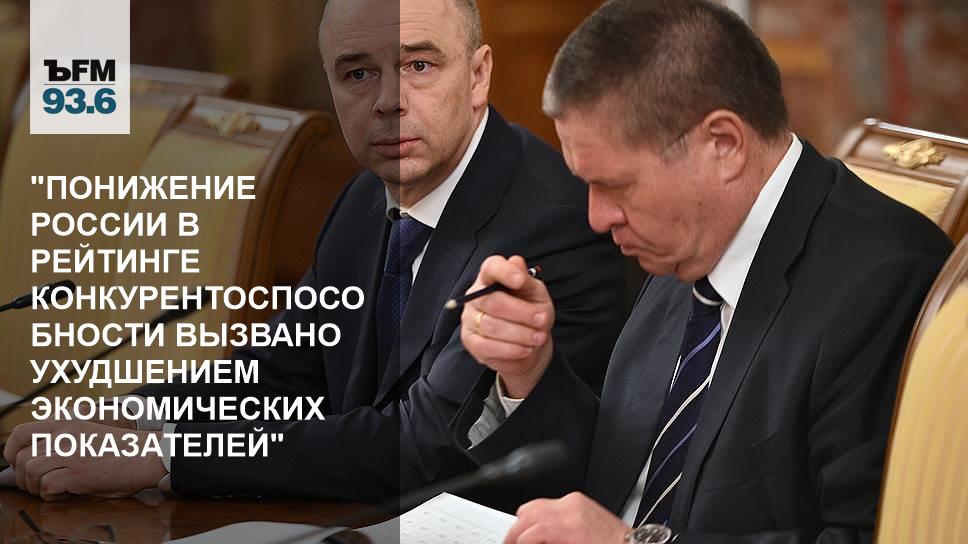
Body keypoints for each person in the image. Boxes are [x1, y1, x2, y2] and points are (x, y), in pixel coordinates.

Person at [3, 0, 629, 503]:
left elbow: (427, 445)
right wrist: (127, 419)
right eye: (358, 73)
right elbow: (283, 370)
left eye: (419, 66)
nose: (389, 100)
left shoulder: (551, 226)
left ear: (478, 74)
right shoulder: (367, 195)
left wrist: (167, 453)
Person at [453, 0, 954, 542]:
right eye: (587, 184)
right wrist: (529, 369)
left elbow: (862, 536)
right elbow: (616, 467)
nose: (597, 217)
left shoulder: (882, 283)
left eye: (616, 186)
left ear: (724, 144)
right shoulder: (689, 234)